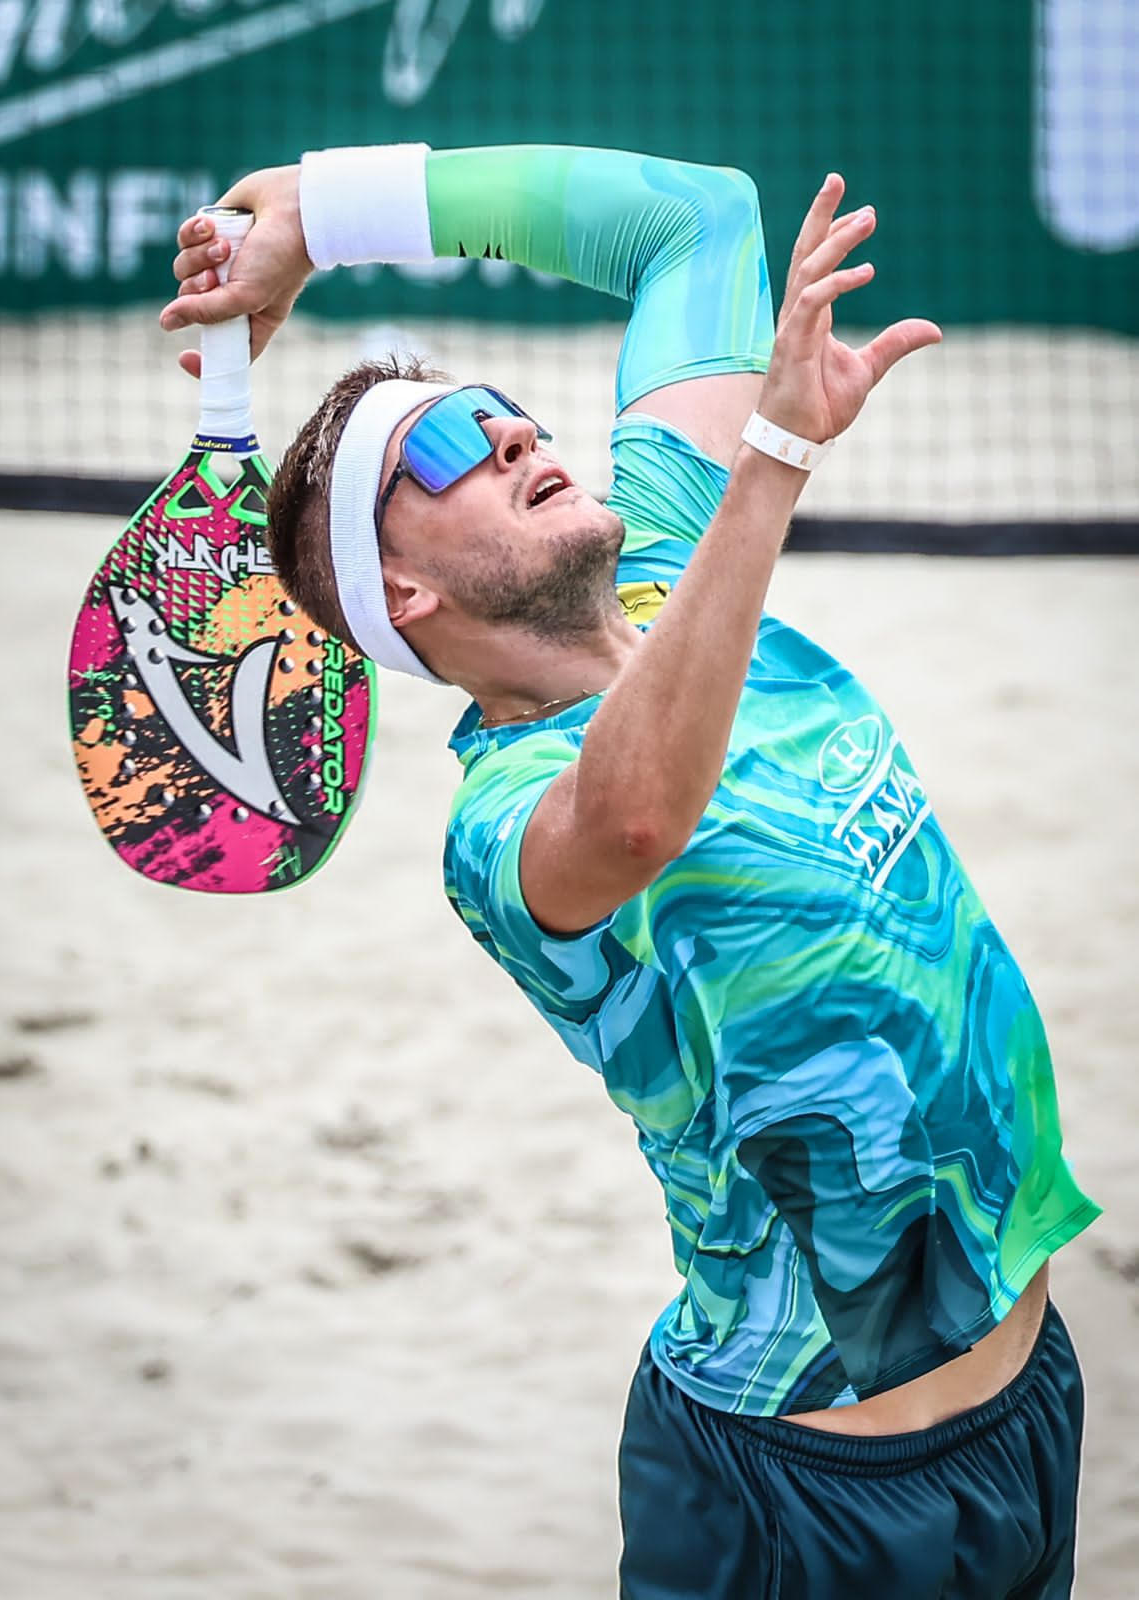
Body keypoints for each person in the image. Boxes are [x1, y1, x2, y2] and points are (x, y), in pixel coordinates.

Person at [161, 144, 1100, 1598]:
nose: (518, 434)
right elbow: (643, 814)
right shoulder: (502, 822)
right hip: (795, 1496)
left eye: (500, 410)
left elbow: (693, 216)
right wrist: (773, 458)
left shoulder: (661, 555)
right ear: (399, 592)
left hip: (1026, 1417)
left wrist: (315, 208)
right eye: (441, 451)